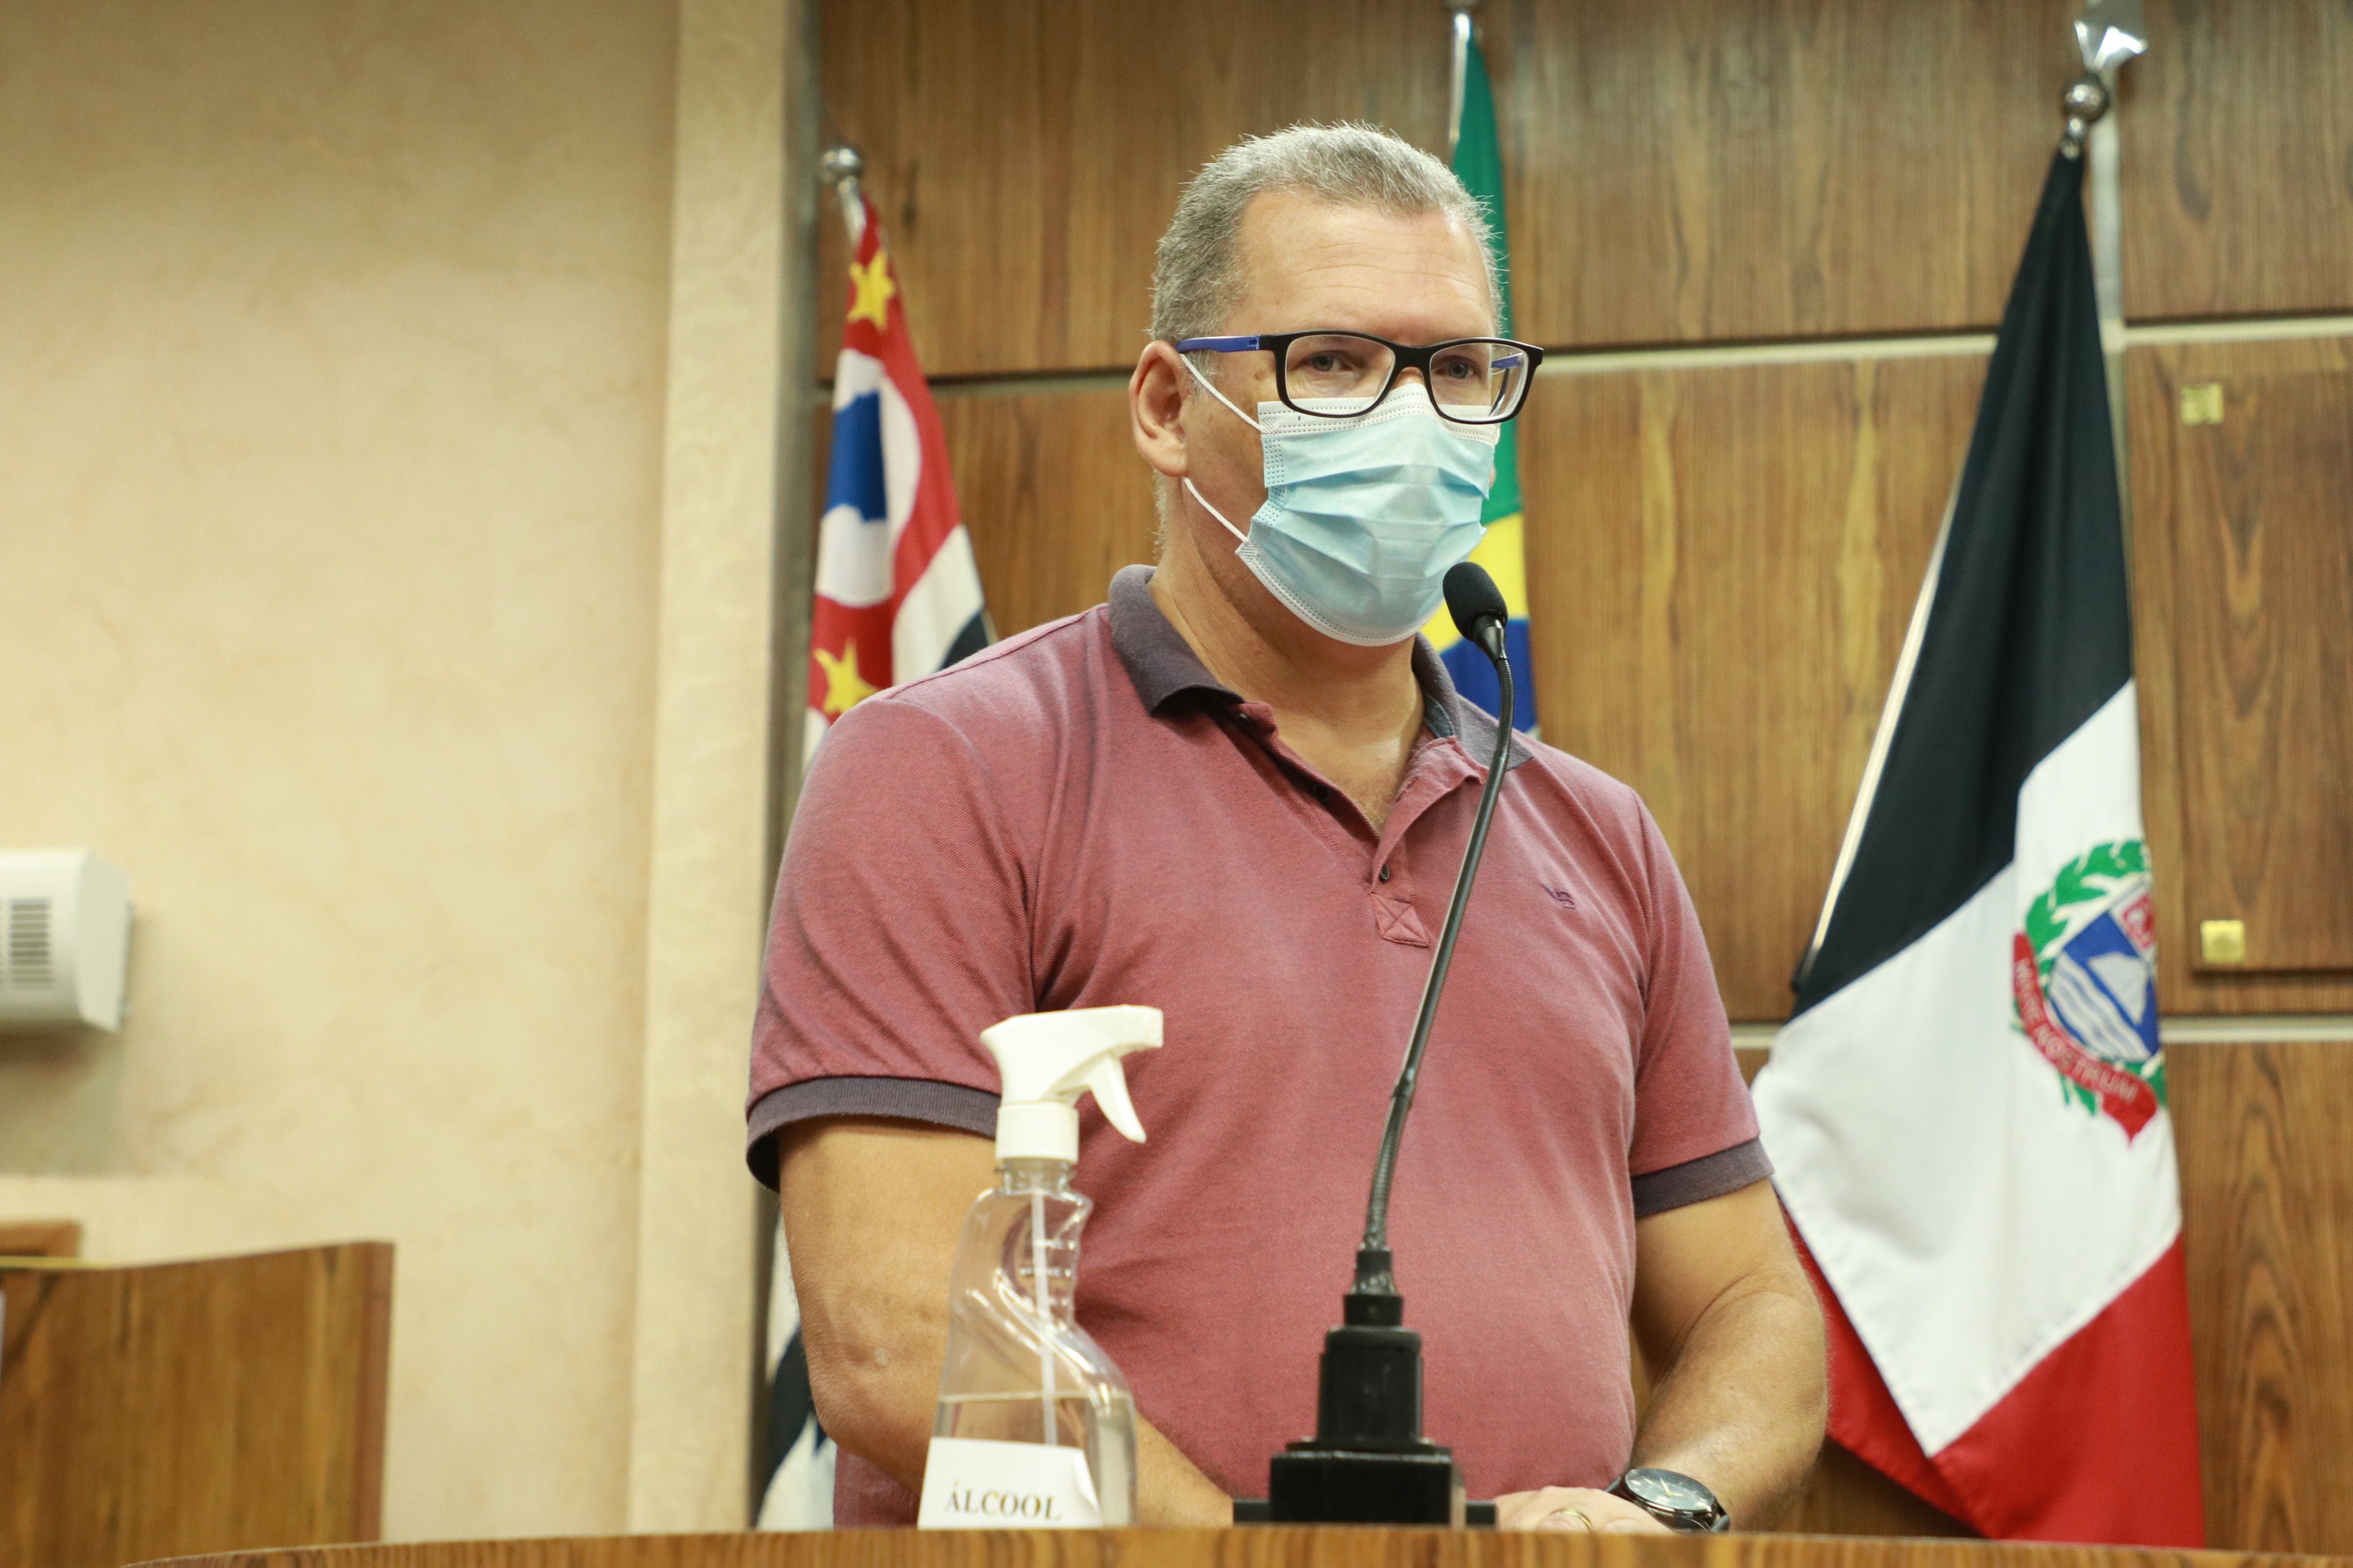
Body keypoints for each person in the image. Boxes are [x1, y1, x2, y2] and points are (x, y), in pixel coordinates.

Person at [747, 123, 1826, 1532]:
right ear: (1165, 404)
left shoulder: (1598, 833)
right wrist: (1264, 1563)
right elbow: (899, 1343)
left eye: (1457, 371)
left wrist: (1662, 1507)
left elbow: (1751, 1306)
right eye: (1332, 363)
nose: (1412, 420)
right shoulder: (945, 768)